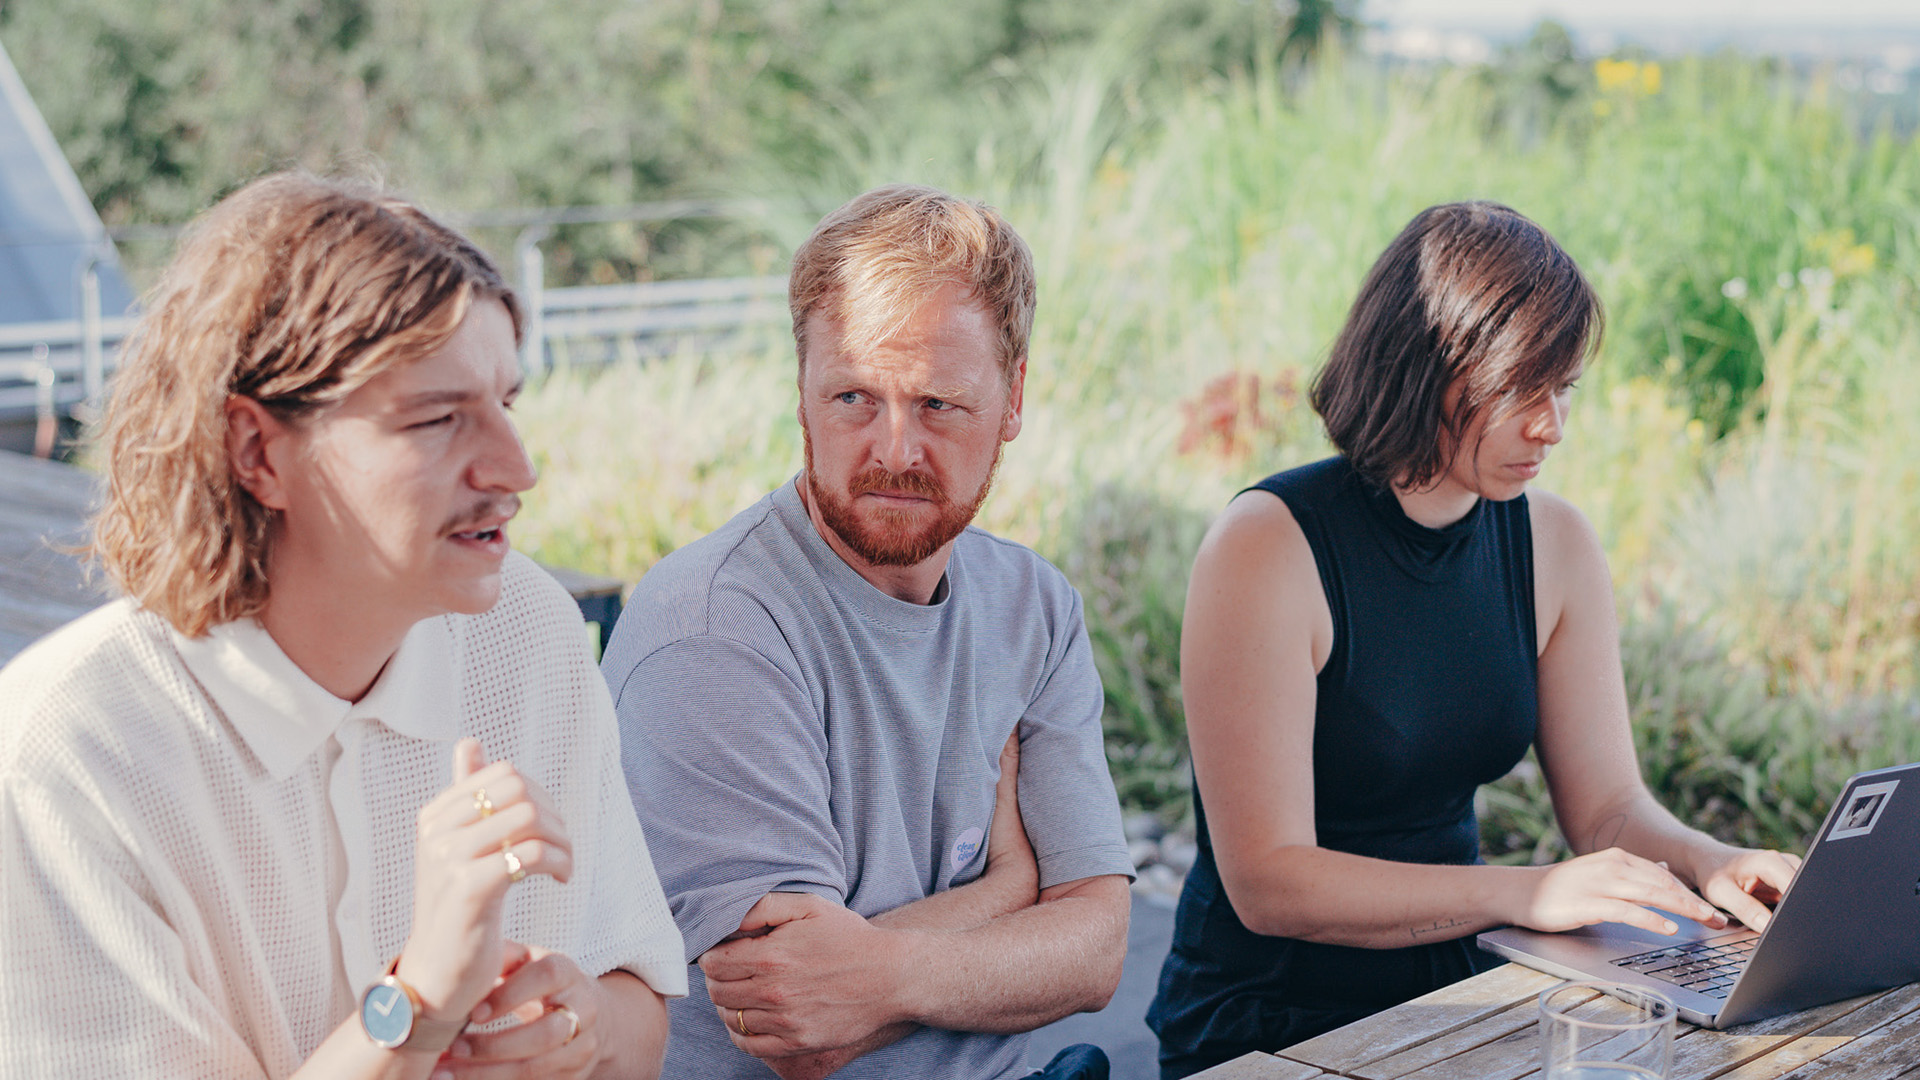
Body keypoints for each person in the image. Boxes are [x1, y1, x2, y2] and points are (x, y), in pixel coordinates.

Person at [0, 173, 686, 1080]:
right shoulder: (64, 755)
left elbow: (638, 1011)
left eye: (507, 404)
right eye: (437, 419)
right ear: (258, 453)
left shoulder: (529, 631)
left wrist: (578, 1025)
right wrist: (420, 1002)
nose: (516, 468)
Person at [1146, 201, 1803, 1078]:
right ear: (1429, 369)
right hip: (1268, 1012)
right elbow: (1270, 883)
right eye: (1522, 389)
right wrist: (1530, 892)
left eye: (1563, 388)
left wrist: (1712, 863)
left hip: (1460, 979)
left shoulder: (1555, 544)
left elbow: (1607, 809)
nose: (1551, 427)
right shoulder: (1268, 546)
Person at [604, 184, 1134, 1080]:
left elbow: (1098, 950)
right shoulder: (713, 628)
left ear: (1012, 402)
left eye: (939, 405)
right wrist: (1013, 892)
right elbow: (801, 1018)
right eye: (853, 397)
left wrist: (881, 970)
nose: (893, 450)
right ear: (802, 394)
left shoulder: (1033, 604)